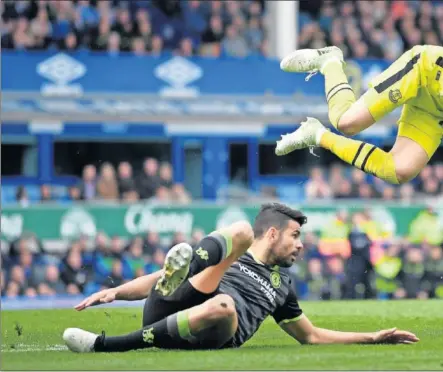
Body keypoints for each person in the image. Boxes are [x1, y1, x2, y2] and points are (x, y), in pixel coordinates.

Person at [63, 203, 418, 353]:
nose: (300, 245)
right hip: (173, 306)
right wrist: (116, 292)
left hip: (216, 327)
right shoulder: (235, 256)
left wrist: (373, 338)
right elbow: (159, 275)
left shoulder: (283, 287)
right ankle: (187, 268)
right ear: (274, 235)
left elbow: (311, 336)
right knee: (239, 234)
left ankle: (105, 345)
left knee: (224, 304)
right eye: (295, 236)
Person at [276, 45, 443, 185]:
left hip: (436, 111)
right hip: (426, 71)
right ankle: (330, 62)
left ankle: (316, 134)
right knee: (347, 122)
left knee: (400, 170)